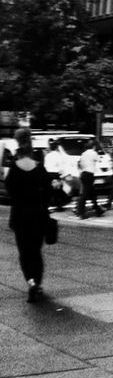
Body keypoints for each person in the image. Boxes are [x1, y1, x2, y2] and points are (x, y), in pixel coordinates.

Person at [5, 128, 52, 303]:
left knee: (24, 253)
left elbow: (10, 191)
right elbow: (48, 193)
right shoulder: (40, 169)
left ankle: (31, 282)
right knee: (36, 251)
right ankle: (38, 283)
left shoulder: (14, 170)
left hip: (20, 217)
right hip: (38, 216)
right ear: (32, 148)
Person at [76, 137, 104, 219]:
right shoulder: (93, 153)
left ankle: (97, 209)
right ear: (94, 146)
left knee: (92, 193)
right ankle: (80, 212)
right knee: (85, 194)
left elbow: (79, 164)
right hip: (89, 175)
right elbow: (99, 160)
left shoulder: (83, 154)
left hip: (83, 174)